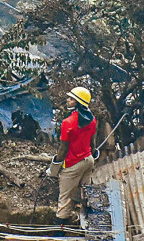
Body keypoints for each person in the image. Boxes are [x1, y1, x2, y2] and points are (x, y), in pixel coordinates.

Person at [46, 87, 97, 225]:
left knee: (65, 199)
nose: (67, 100)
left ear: (79, 102)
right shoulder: (92, 120)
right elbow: (92, 144)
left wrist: (54, 167)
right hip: (88, 161)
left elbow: (63, 149)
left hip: (73, 163)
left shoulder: (68, 122)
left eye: (71, 98)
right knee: (86, 195)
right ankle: (89, 225)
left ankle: (58, 232)